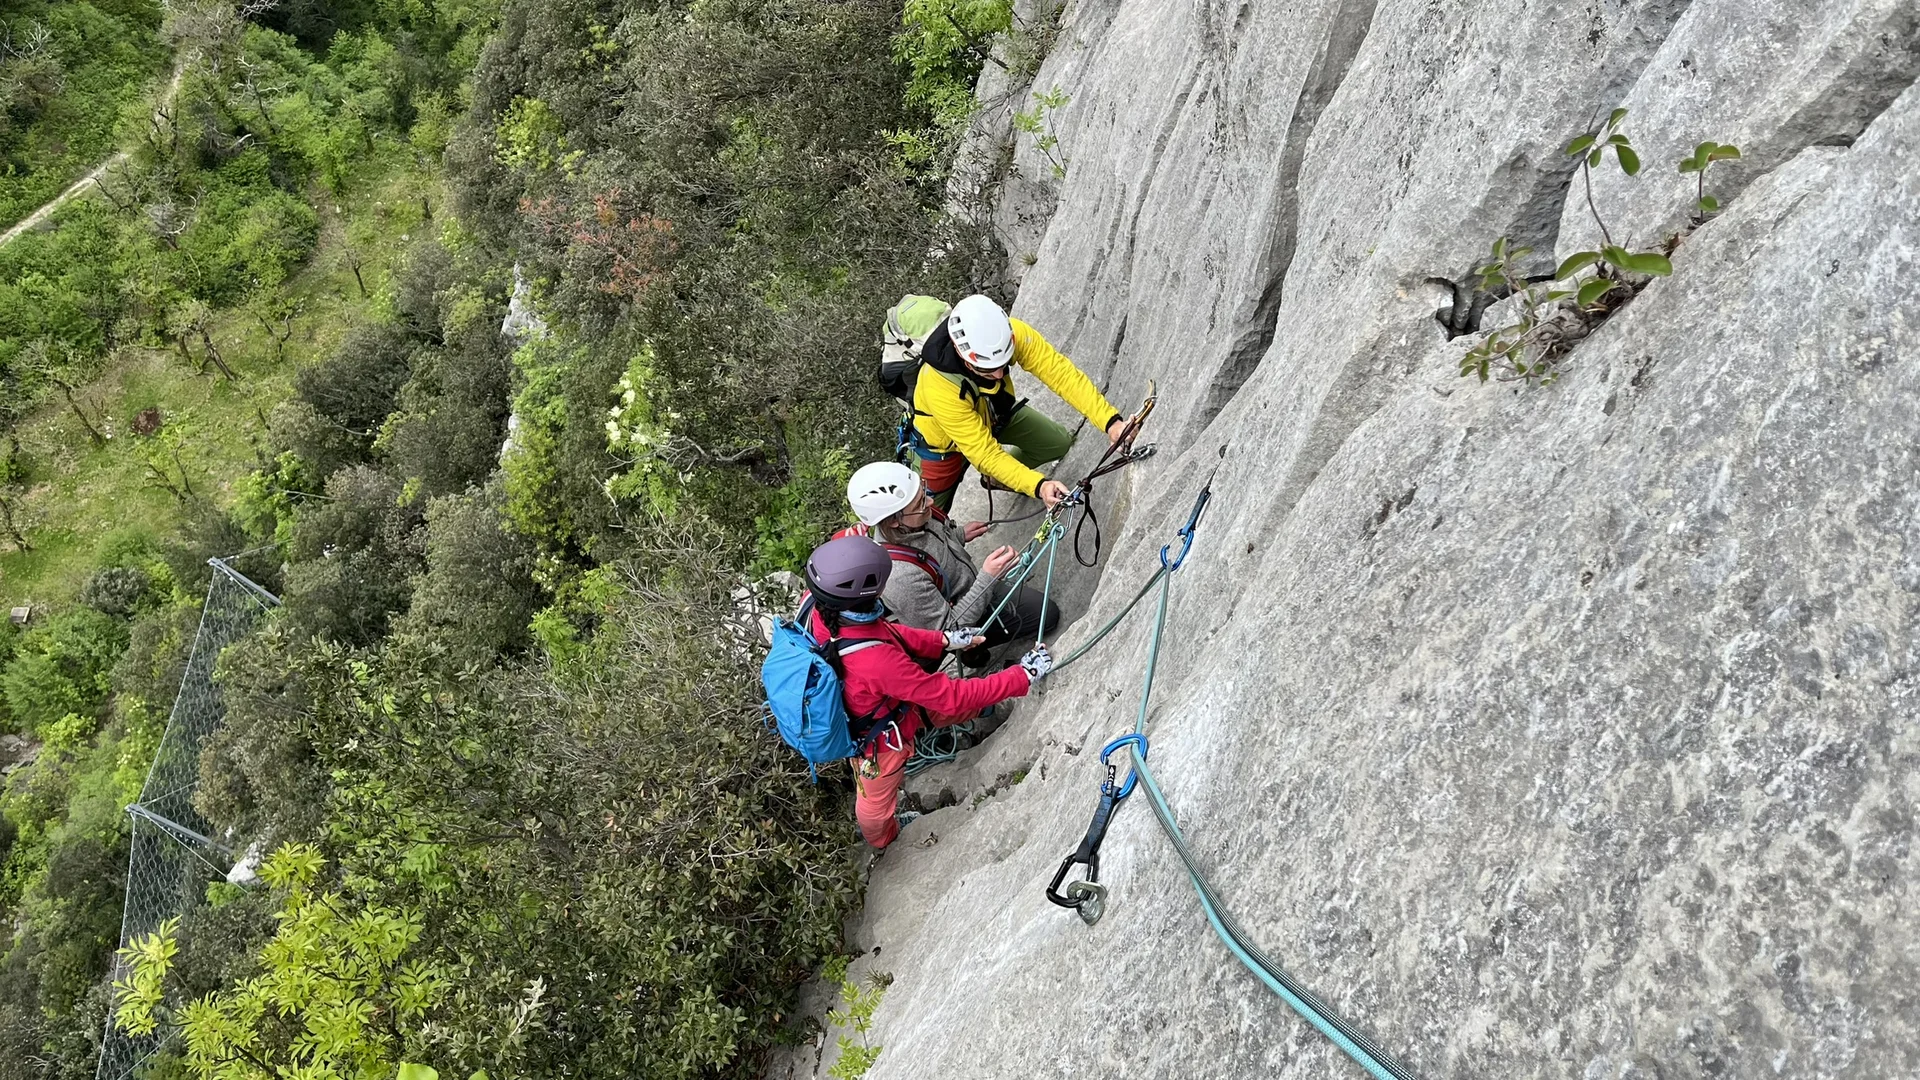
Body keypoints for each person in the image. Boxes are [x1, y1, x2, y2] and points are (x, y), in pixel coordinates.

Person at [802, 535, 1053, 849]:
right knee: (876, 804)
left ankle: (985, 713)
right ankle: (882, 841)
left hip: (882, 701)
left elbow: (884, 631)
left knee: (936, 707)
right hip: (877, 740)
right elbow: (948, 695)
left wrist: (944, 640)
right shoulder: (877, 662)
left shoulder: (826, 609)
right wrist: (1021, 676)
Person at [909, 294, 1130, 512]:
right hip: (942, 446)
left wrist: (1110, 422)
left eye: (1003, 364)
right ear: (960, 352)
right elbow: (984, 453)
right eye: (986, 369)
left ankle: (996, 480)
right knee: (925, 515)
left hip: (993, 414)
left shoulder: (1012, 334)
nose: (998, 375)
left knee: (1057, 443)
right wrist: (1038, 485)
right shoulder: (938, 386)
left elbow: (1062, 375)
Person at [844, 460, 1060, 668]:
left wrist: (960, 535)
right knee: (1047, 615)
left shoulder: (915, 518)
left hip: (972, 590)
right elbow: (949, 631)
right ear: (893, 521)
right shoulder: (900, 577)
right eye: (920, 503)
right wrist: (988, 578)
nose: (929, 502)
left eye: (923, 492)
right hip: (962, 615)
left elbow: (933, 542)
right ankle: (970, 652)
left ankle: (977, 648)